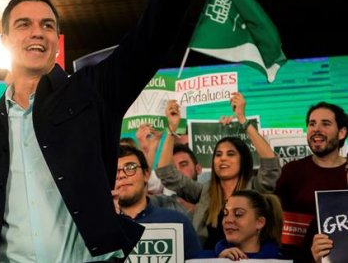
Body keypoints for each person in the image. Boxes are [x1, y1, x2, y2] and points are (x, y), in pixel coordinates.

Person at [0, 0, 214, 261]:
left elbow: (148, 42)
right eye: (24, 24)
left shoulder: (91, 92)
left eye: (48, 25)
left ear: (56, 40)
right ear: (4, 41)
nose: (38, 33)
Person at [156, 93, 281, 248]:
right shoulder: (205, 191)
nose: (222, 159)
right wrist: (171, 129)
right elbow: (166, 173)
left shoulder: (255, 189)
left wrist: (243, 119)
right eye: (218, 154)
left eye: (230, 154)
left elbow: (271, 165)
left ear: (243, 160)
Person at [275, 101, 348, 261]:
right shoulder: (291, 172)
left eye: (325, 124)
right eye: (311, 124)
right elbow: (275, 224)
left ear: (342, 132)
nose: (316, 129)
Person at [115, 145, 201, 260]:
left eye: (130, 167)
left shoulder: (178, 222)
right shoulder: (98, 228)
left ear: (146, 175)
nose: (121, 175)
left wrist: (217, 257)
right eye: (115, 170)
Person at [196, 190, 284, 260]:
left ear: (260, 222)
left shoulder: (282, 260)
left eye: (238, 214)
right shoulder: (202, 258)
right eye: (225, 214)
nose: (228, 220)